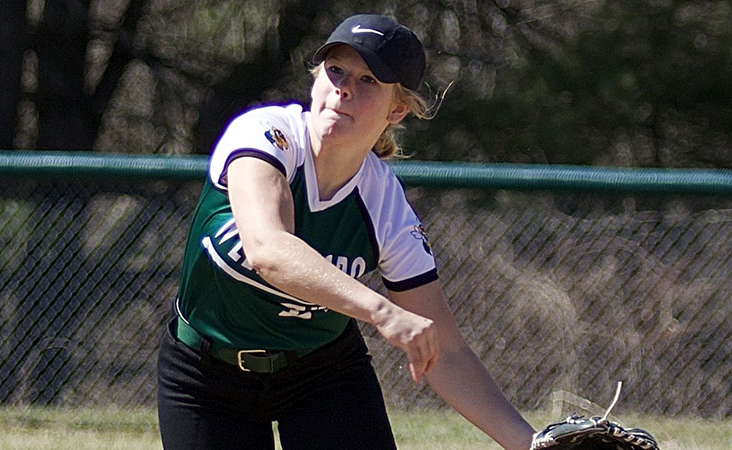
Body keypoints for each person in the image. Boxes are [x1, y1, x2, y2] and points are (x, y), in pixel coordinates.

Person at [157, 13, 536, 450]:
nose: (344, 88)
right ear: (316, 79)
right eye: (336, 70)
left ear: (397, 110)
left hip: (321, 374)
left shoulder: (383, 204)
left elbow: (444, 351)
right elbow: (268, 249)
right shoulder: (266, 137)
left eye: (369, 80)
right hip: (206, 375)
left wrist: (531, 445)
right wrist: (382, 312)